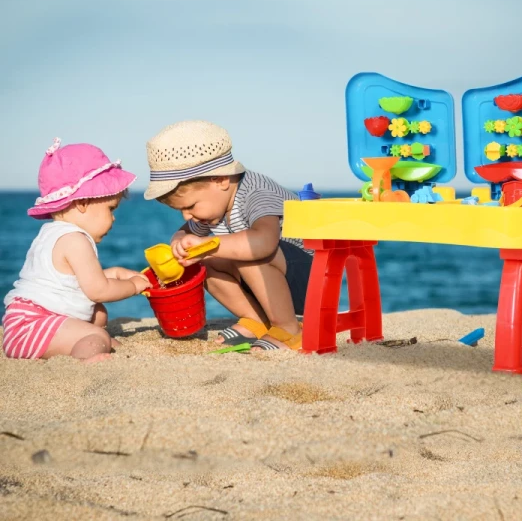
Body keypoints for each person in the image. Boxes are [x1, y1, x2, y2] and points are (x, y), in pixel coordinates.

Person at [144, 120, 313, 350]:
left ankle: (287, 329)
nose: (187, 216)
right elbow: (186, 232)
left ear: (221, 180)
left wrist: (210, 245)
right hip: (269, 284)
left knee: (248, 251)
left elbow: (263, 243)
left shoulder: (257, 193)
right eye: (181, 210)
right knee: (202, 260)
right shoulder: (213, 207)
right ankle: (256, 319)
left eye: (191, 206)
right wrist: (179, 244)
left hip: (310, 280)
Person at [2, 138, 151, 363]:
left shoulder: (53, 233)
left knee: (98, 313)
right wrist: (133, 286)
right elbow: (98, 290)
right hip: (31, 326)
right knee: (96, 333)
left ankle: (94, 342)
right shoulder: (75, 240)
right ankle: (86, 362)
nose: (113, 218)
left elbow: (73, 282)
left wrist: (118, 272)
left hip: (26, 322)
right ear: (82, 202)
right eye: (110, 209)